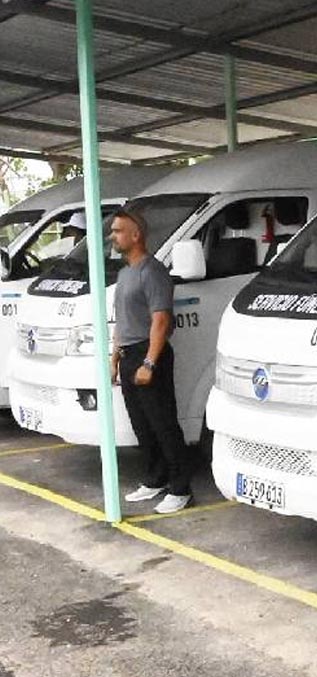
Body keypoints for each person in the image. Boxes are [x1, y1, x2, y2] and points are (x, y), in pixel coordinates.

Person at [109, 207, 191, 514]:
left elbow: (160, 321)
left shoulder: (152, 271)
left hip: (148, 354)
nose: (113, 236)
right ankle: (155, 479)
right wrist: (115, 357)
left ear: (136, 235)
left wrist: (150, 363)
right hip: (130, 354)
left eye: (118, 231)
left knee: (163, 424)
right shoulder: (125, 273)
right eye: (113, 231)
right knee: (142, 426)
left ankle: (181, 488)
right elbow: (121, 321)